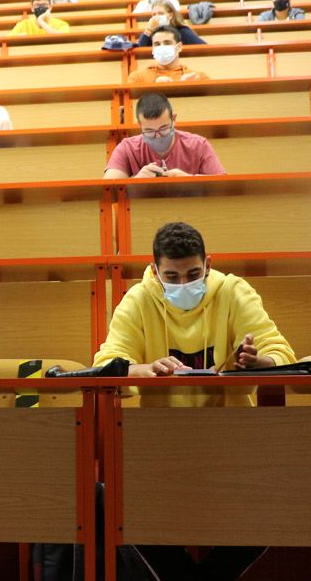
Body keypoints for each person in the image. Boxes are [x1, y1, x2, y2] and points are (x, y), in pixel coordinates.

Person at [94, 222, 291, 578]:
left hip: (232, 446)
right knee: (119, 508)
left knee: (277, 505)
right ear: (155, 271)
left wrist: (258, 361)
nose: (183, 285)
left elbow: (281, 354)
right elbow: (105, 367)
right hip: (161, 448)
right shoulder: (137, 299)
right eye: (171, 276)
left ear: (209, 265)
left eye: (193, 274)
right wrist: (145, 368)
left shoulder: (234, 291)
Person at [103, 93, 225, 179]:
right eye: (149, 131)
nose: (158, 136)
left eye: (164, 129)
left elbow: (223, 186)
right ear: (139, 126)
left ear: (174, 119)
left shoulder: (199, 145)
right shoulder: (127, 147)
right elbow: (109, 190)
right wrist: (136, 181)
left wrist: (190, 179)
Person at [127, 26, 208, 85]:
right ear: (152, 49)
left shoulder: (197, 77)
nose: (162, 47)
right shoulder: (137, 78)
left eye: (167, 43)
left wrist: (185, 87)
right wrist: (154, 87)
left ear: (179, 47)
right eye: (157, 44)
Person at [136, 0, 206, 46]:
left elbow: (204, 47)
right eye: (154, 14)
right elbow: (140, 50)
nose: (156, 17)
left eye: (160, 13)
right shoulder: (151, 33)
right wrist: (148, 30)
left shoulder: (183, 31)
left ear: (170, 15)